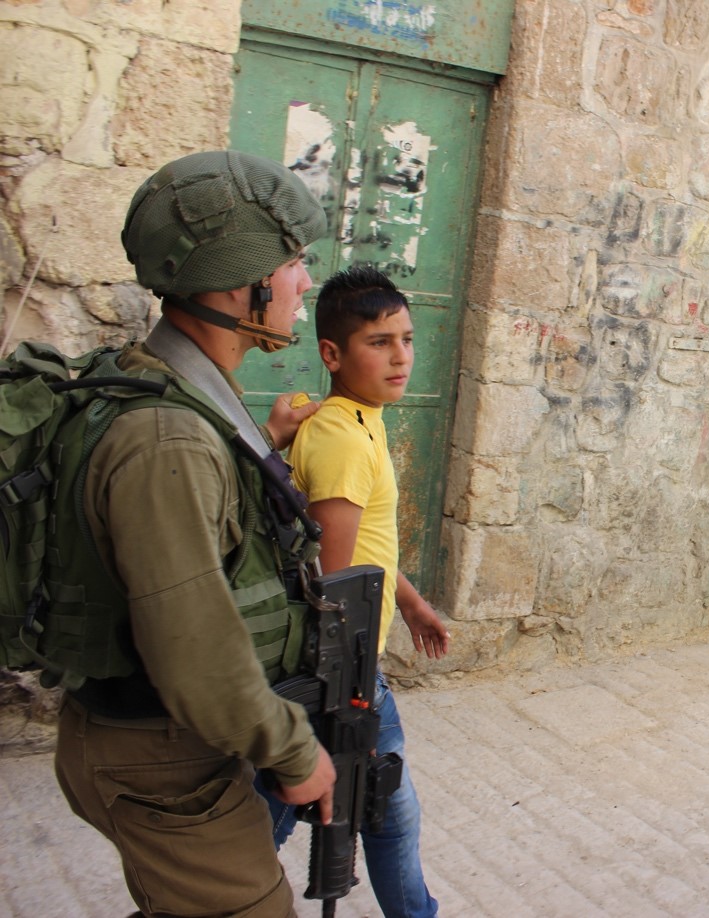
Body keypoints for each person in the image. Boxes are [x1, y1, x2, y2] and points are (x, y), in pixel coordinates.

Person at [54, 150, 336, 916]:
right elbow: (194, 648)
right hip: (156, 756)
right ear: (240, 281)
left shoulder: (179, 387)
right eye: (292, 262)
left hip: (162, 741)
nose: (303, 283)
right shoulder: (167, 436)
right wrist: (294, 751)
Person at [265, 265, 450, 918]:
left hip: (349, 668)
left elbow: (364, 545)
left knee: (365, 807)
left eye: (405, 337)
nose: (400, 356)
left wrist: (410, 601)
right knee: (362, 810)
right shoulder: (342, 436)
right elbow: (332, 583)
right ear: (332, 354)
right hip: (342, 671)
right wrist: (347, 699)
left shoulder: (360, 419)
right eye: (379, 342)